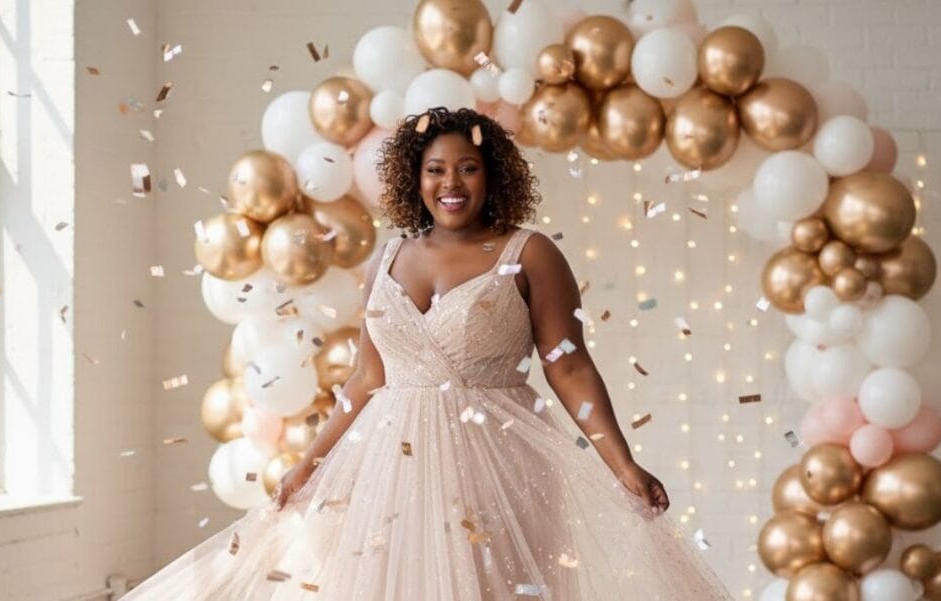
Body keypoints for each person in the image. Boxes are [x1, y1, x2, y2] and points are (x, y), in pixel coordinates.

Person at [124, 107, 733, 600]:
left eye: (467, 168)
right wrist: (307, 464)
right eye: (436, 169)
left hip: (496, 465)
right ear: (414, 178)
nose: (451, 184)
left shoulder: (531, 252)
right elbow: (367, 377)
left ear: (493, 175)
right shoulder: (386, 258)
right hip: (391, 472)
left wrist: (622, 466)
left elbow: (569, 365)